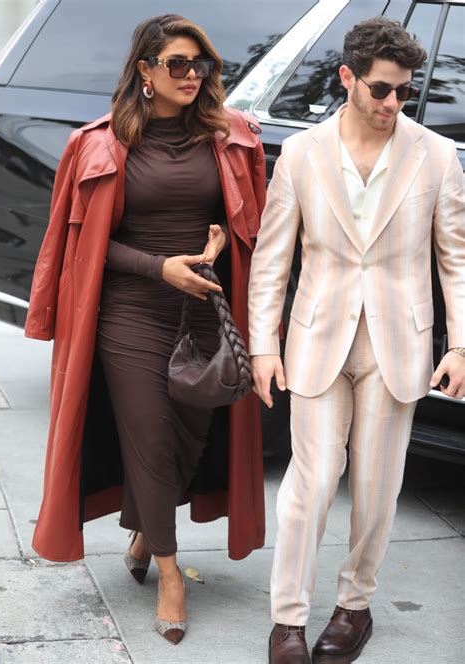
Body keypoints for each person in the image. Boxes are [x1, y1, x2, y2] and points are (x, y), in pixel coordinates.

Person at [25, 14, 266, 645]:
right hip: (130, 314)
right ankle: (169, 572)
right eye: (178, 65)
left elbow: (251, 232)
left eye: (201, 65)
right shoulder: (98, 144)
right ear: (145, 72)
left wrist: (216, 246)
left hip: (204, 311)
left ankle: (143, 532)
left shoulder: (234, 137)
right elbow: (85, 247)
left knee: (190, 440)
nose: (192, 76)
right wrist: (160, 267)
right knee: (153, 441)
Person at [248, 17, 464, 664]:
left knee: (376, 488)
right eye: (379, 89)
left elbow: (456, 255)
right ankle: (287, 619)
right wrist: (263, 345)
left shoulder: (432, 154)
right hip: (318, 339)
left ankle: (354, 607)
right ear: (347, 78)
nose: (392, 103)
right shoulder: (304, 154)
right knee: (310, 486)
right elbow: (272, 259)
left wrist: (460, 344)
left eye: (403, 90)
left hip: (399, 343)